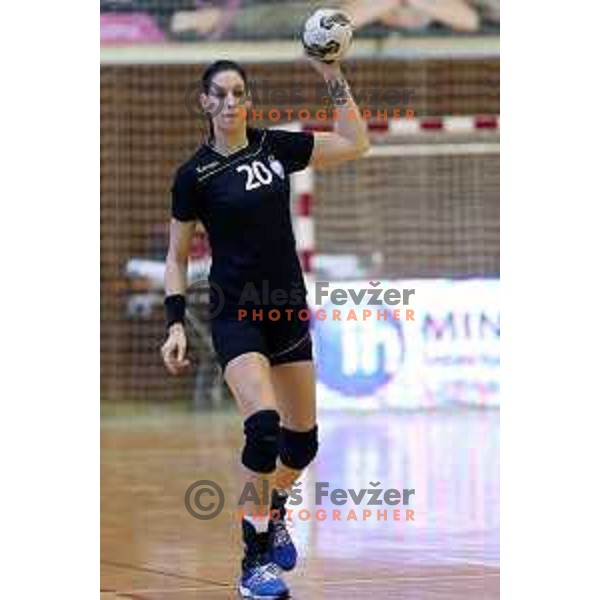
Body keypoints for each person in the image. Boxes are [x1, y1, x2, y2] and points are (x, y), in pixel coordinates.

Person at [160, 55, 369, 599]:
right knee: (264, 429)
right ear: (205, 102)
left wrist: (332, 77)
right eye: (221, 94)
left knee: (301, 447)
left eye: (240, 94)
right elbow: (177, 258)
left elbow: (355, 143)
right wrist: (175, 323)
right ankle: (253, 562)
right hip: (235, 313)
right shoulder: (193, 175)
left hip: (288, 308)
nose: (232, 103)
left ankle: (273, 507)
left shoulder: (275, 148)